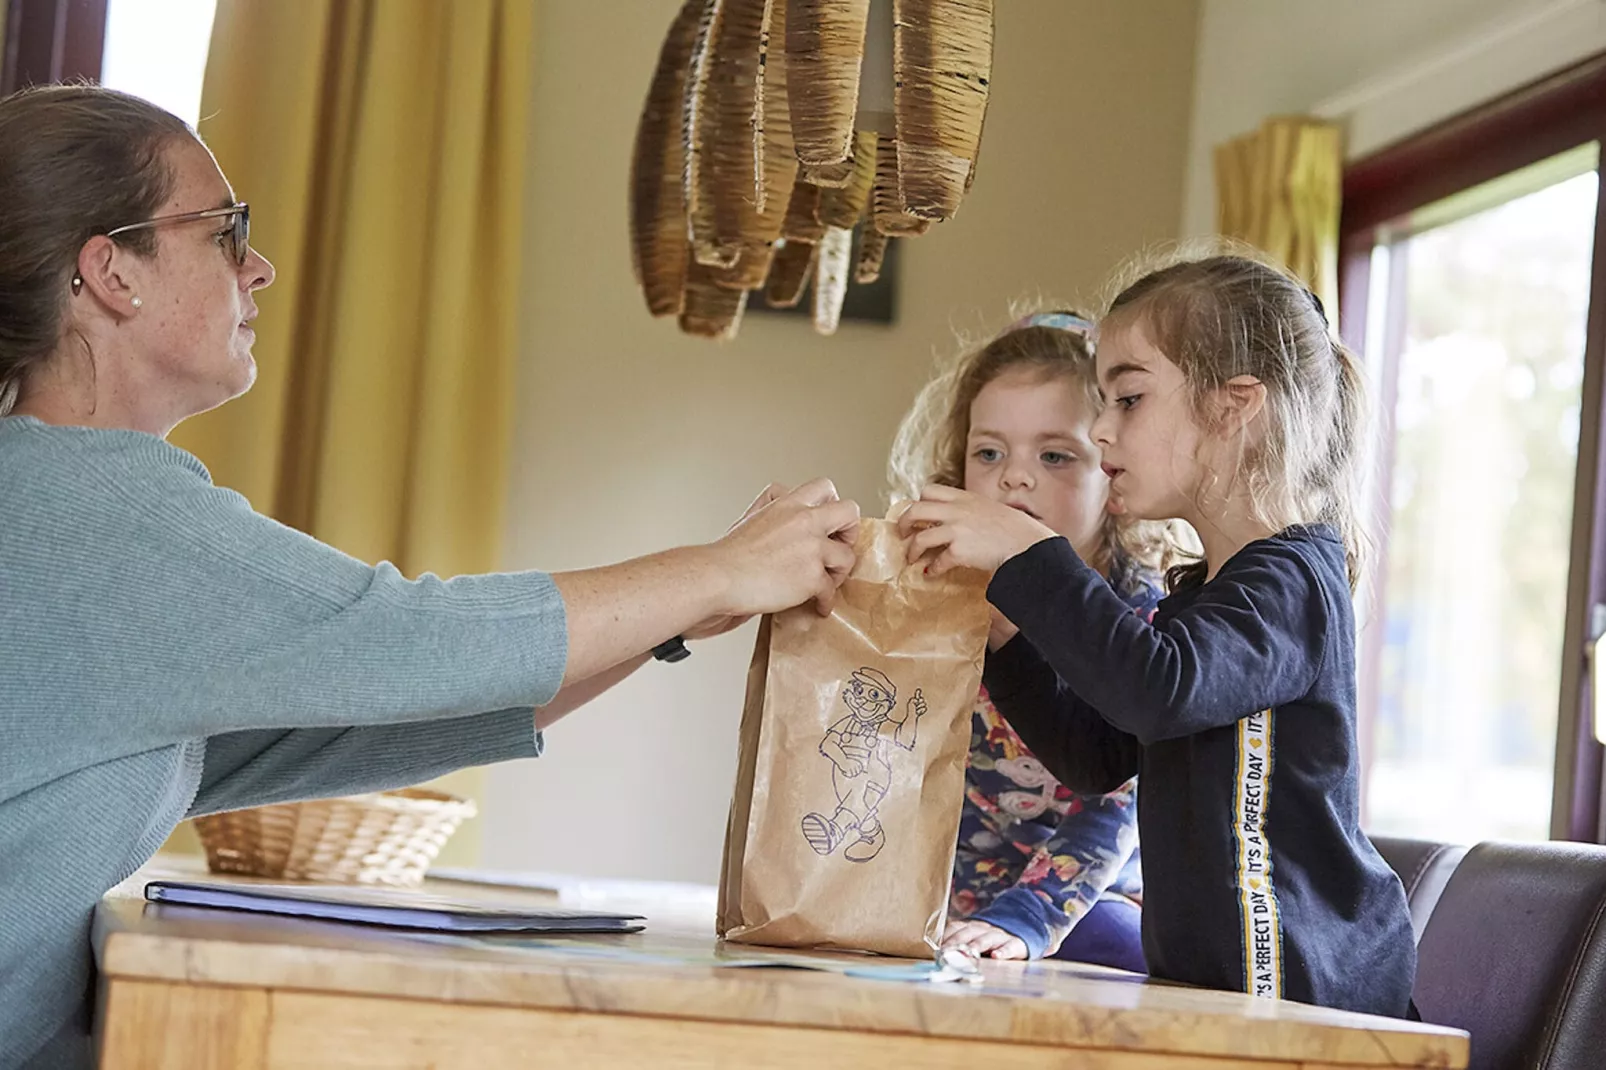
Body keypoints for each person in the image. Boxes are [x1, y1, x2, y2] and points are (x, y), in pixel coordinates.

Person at [0, 84, 860, 1068]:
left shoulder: (55, 499)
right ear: (111, 271)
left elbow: (359, 725)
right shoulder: (97, 508)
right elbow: (410, 636)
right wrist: (717, 570)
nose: (260, 266)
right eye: (225, 231)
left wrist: (679, 610)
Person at [899, 254, 1417, 1017]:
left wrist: (1022, 554)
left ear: (1234, 406)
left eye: (1129, 399)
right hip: (1214, 984)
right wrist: (1009, 636)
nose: (1104, 428)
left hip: (1299, 984)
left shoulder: (1294, 582)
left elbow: (1159, 690)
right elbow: (1097, 756)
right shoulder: (1205, 592)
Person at [887, 310, 1178, 970]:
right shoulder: (931, 592)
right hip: (945, 893)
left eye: (1055, 456)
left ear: (1114, 476)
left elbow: (1121, 804)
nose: (1015, 478)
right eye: (989, 453)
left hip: (1083, 897)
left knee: (1119, 950)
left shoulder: (1143, 619)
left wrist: (1026, 917)